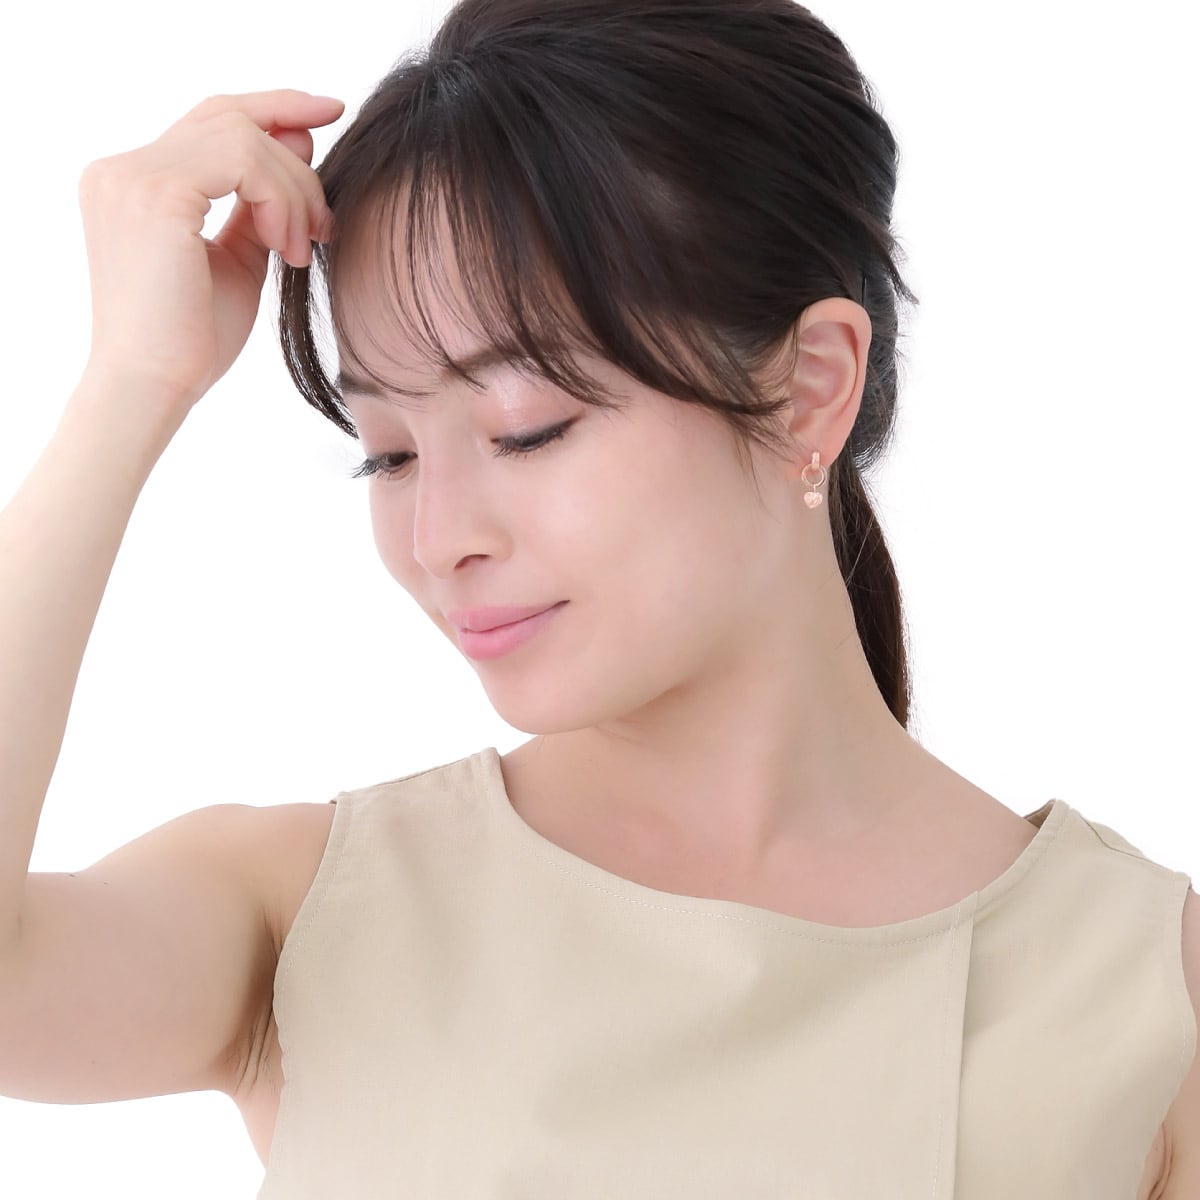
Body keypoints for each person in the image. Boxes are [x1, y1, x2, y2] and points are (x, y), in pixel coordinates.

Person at [0, 1, 1195, 1196]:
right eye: (389, 455)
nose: (439, 540)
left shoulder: (1141, 982)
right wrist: (129, 385)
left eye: (528, 429)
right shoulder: (310, 909)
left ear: (807, 389)